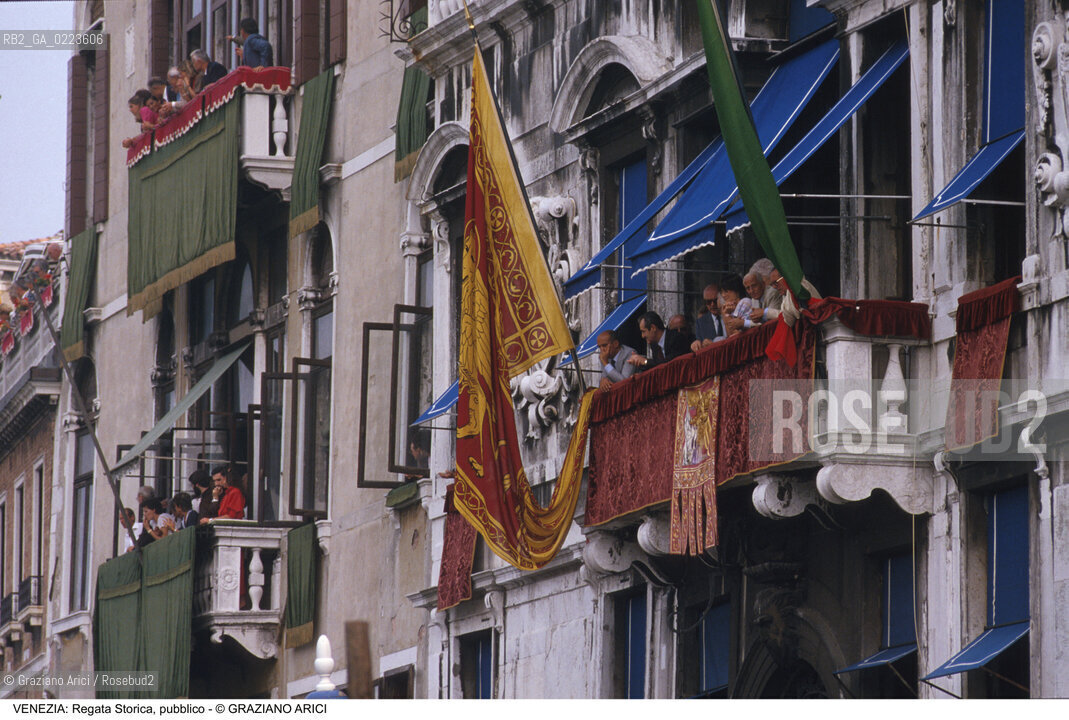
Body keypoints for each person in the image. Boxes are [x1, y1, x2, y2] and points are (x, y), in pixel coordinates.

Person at [692, 283, 726, 351]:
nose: (712, 304)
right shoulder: (701, 322)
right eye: (708, 302)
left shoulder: (730, 314)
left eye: (715, 301)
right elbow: (699, 347)